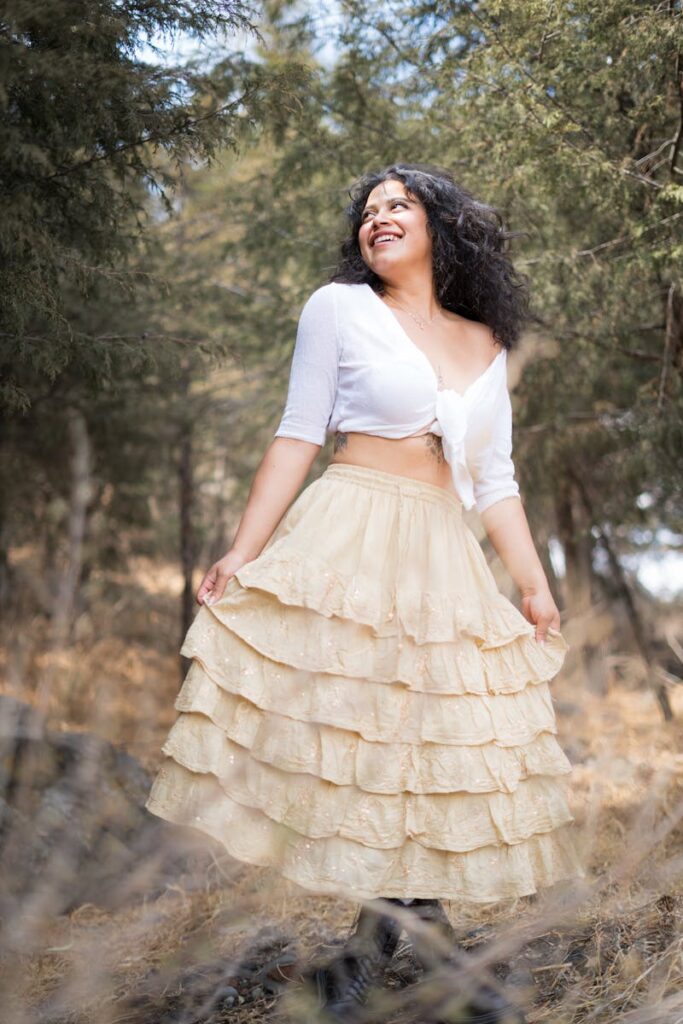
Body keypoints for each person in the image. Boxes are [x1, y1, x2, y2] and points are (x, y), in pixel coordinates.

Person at [145, 163, 585, 1022]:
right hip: (350, 532)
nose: (378, 218)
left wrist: (532, 588)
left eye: (400, 205)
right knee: (367, 739)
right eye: (367, 210)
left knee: (428, 746)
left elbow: (494, 477)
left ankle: (383, 942)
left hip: (441, 549)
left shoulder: (486, 343)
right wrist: (244, 550)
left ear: (441, 227)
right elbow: (297, 434)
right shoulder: (338, 308)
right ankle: (418, 946)